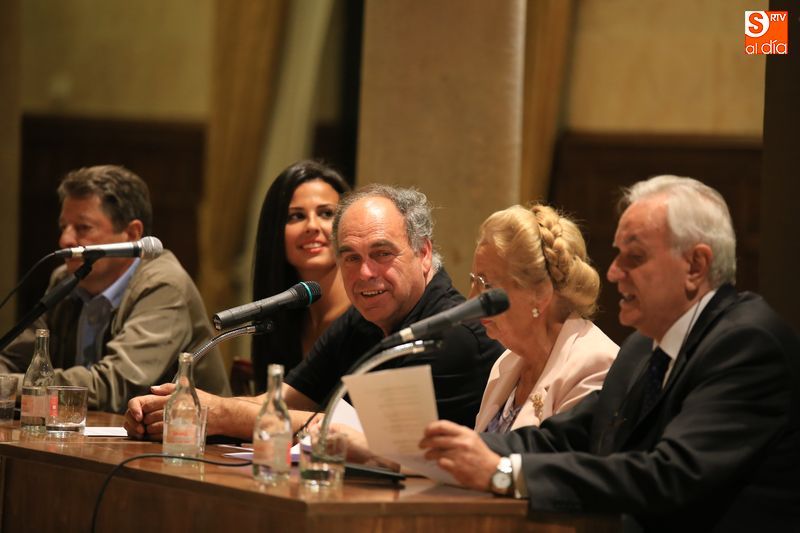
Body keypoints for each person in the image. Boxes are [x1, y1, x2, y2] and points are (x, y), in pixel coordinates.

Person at [420, 175, 800, 530]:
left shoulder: (746, 343)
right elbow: (561, 438)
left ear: (695, 266)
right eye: (617, 256)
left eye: (634, 257)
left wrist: (505, 472)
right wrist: (443, 453)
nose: (614, 272)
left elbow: (667, 476)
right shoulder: (642, 347)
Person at [125, 184, 504, 439]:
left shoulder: (455, 336)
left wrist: (218, 414)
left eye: (382, 254)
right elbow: (285, 402)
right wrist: (180, 405)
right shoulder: (365, 317)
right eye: (351, 258)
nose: (365, 273)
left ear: (423, 252)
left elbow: (348, 433)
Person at [0, 165, 230, 413]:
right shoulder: (64, 279)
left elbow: (115, 387)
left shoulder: (165, 285)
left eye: (83, 228)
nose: (64, 240)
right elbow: (14, 359)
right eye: (64, 226)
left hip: (187, 443)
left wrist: (12, 386)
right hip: (92, 439)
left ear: (132, 234)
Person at [471, 204, 618, 433]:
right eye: (473, 281)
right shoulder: (506, 363)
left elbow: (561, 465)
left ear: (539, 295)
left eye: (486, 285)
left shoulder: (595, 365)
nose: (472, 299)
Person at [250, 160, 351, 393]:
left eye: (326, 213)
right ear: (274, 232)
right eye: (296, 216)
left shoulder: (367, 314)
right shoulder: (281, 318)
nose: (312, 226)